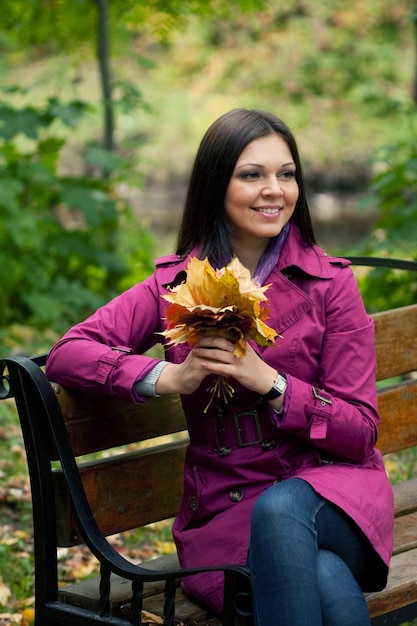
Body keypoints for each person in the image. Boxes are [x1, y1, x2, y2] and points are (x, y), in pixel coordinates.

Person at [46, 108, 394, 626]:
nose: (274, 190)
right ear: (216, 185)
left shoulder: (329, 284)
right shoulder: (178, 285)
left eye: (286, 173)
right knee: (323, 576)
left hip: (333, 493)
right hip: (227, 514)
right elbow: (69, 352)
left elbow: (360, 432)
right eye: (251, 175)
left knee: (282, 511)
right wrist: (170, 377)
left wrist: (272, 383)